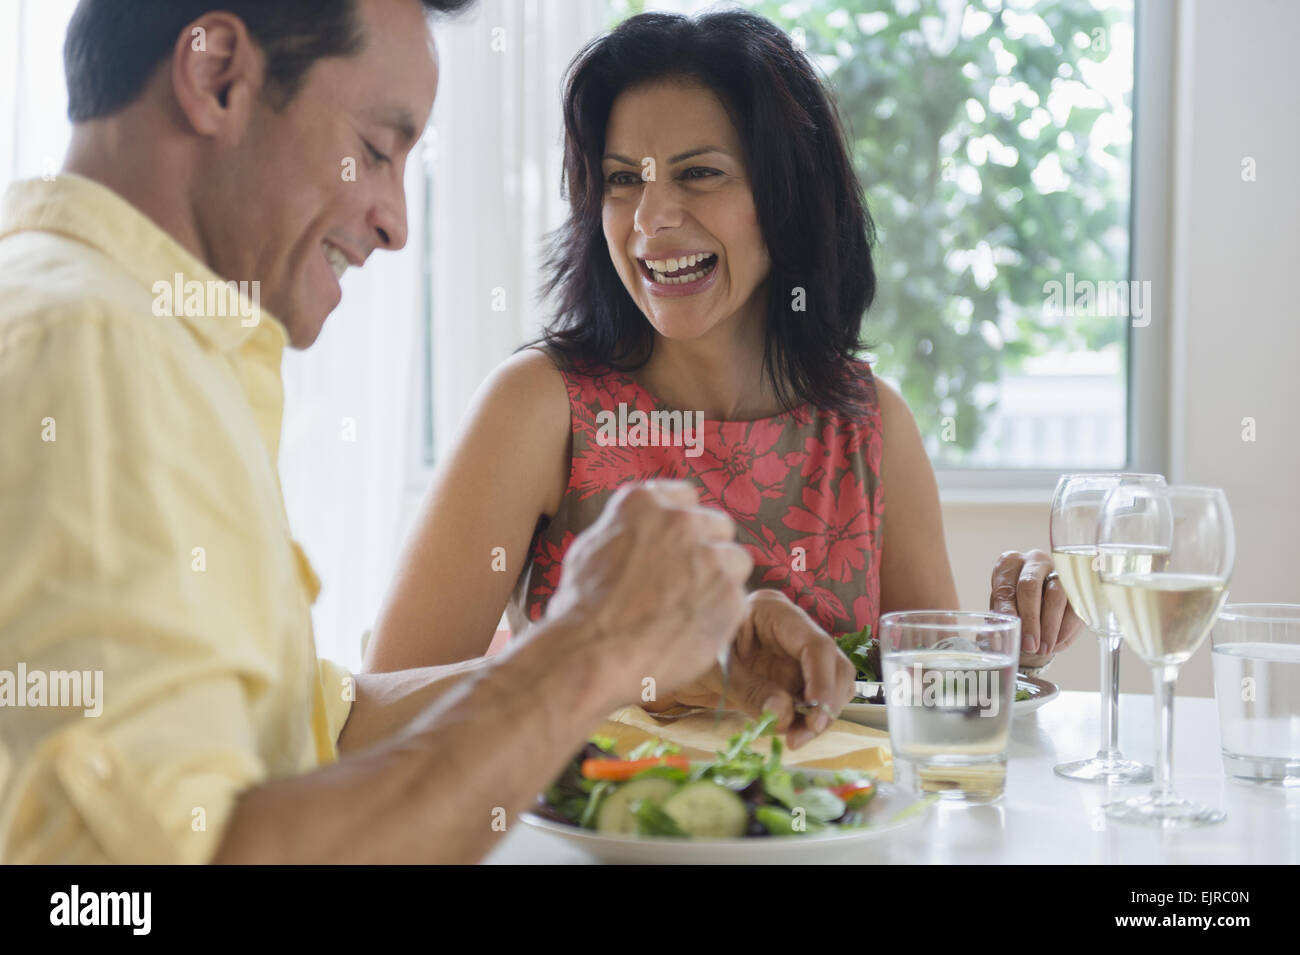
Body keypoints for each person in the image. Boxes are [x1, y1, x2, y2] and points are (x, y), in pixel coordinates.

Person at [0, 0, 853, 866]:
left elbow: (327, 727)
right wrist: (582, 649)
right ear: (216, 74)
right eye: (375, 149)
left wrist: (646, 653)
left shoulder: (153, 344)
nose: (396, 223)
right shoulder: (96, 353)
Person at [366, 10, 1084, 690]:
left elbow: (931, 703)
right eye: (623, 179)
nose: (651, 217)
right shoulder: (538, 406)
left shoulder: (869, 426)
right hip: (589, 825)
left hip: (837, 823)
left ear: (788, 196)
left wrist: (1011, 634)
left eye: (698, 172)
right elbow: (387, 703)